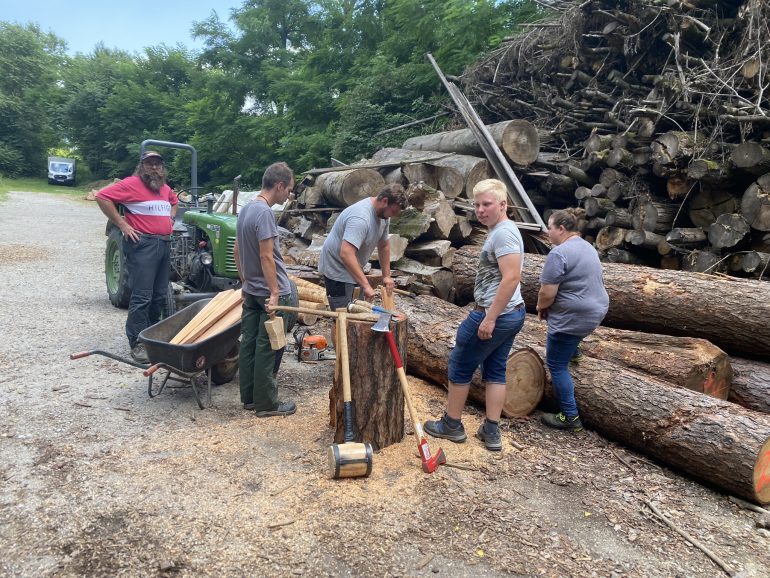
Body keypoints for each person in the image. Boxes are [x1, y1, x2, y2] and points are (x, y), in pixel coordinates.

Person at [424, 179, 526, 451]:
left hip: (497, 314)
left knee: (459, 364)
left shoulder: (504, 233)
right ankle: (491, 430)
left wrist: (489, 318)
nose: (480, 209)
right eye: (477, 204)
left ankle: (451, 424)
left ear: (503, 205)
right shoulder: (501, 231)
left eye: (487, 204)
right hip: (512, 313)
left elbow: (512, 277)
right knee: (495, 369)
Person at [95, 151, 178, 363]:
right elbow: (101, 196)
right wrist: (122, 224)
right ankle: (138, 342)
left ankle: (153, 336)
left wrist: (171, 219)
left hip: (164, 243)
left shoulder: (164, 188)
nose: (154, 168)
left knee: (160, 294)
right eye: (149, 164)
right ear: (141, 166)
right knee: (142, 295)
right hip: (144, 245)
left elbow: (174, 201)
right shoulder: (131, 184)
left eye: (158, 164)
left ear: (162, 168)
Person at [536, 208, 609, 431]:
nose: (547, 231)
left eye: (549, 227)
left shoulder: (558, 254)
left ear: (561, 228)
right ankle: (575, 351)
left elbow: (547, 293)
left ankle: (570, 417)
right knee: (570, 337)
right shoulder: (587, 246)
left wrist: (540, 307)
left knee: (556, 365)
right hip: (597, 310)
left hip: (575, 316)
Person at [233, 162, 296, 417]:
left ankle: (249, 398)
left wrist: (245, 282)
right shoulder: (264, 213)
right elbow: (266, 256)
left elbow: (237, 249)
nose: (288, 195)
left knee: (248, 343)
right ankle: (267, 404)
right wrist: (274, 292)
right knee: (269, 346)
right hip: (270, 292)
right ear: (278, 185)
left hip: (252, 290)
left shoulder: (246, 209)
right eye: (288, 190)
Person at [318, 184, 408, 309]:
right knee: (342, 315)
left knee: (358, 310)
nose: (392, 215)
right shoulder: (360, 218)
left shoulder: (384, 215)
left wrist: (386, 276)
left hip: (354, 265)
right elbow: (346, 254)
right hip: (337, 267)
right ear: (385, 201)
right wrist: (366, 285)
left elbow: (384, 246)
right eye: (393, 211)